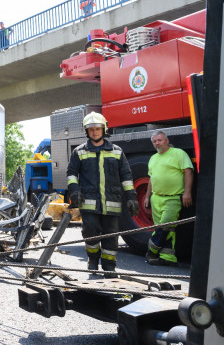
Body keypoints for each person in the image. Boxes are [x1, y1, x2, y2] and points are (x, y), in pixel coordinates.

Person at [67, 112, 139, 276]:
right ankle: (92, 261)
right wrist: (74, 191)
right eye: (91, 129)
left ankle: (109, 267)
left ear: (103, 129)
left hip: (112, 202)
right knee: (90, 232)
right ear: (86, 131)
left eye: (97, 129)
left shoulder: (117, 151)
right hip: (89, 202)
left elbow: (126, 177)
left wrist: (132, 198)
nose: (94, 132)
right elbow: (71, 173)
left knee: (111, 236)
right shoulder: (79, 152)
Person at [143, 131, 194, 266]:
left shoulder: (178, 153)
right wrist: (148, 197)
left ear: (166, 140)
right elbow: (151, 180)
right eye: (154, 141)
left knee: (164, 226)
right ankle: (167, 257)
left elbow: (188, 171)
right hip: (156, 198)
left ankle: (152, 251)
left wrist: (187, 193)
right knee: (169, 229)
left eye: (159, 140)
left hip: (172, 198)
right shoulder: (153, 158)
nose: (157, 143)